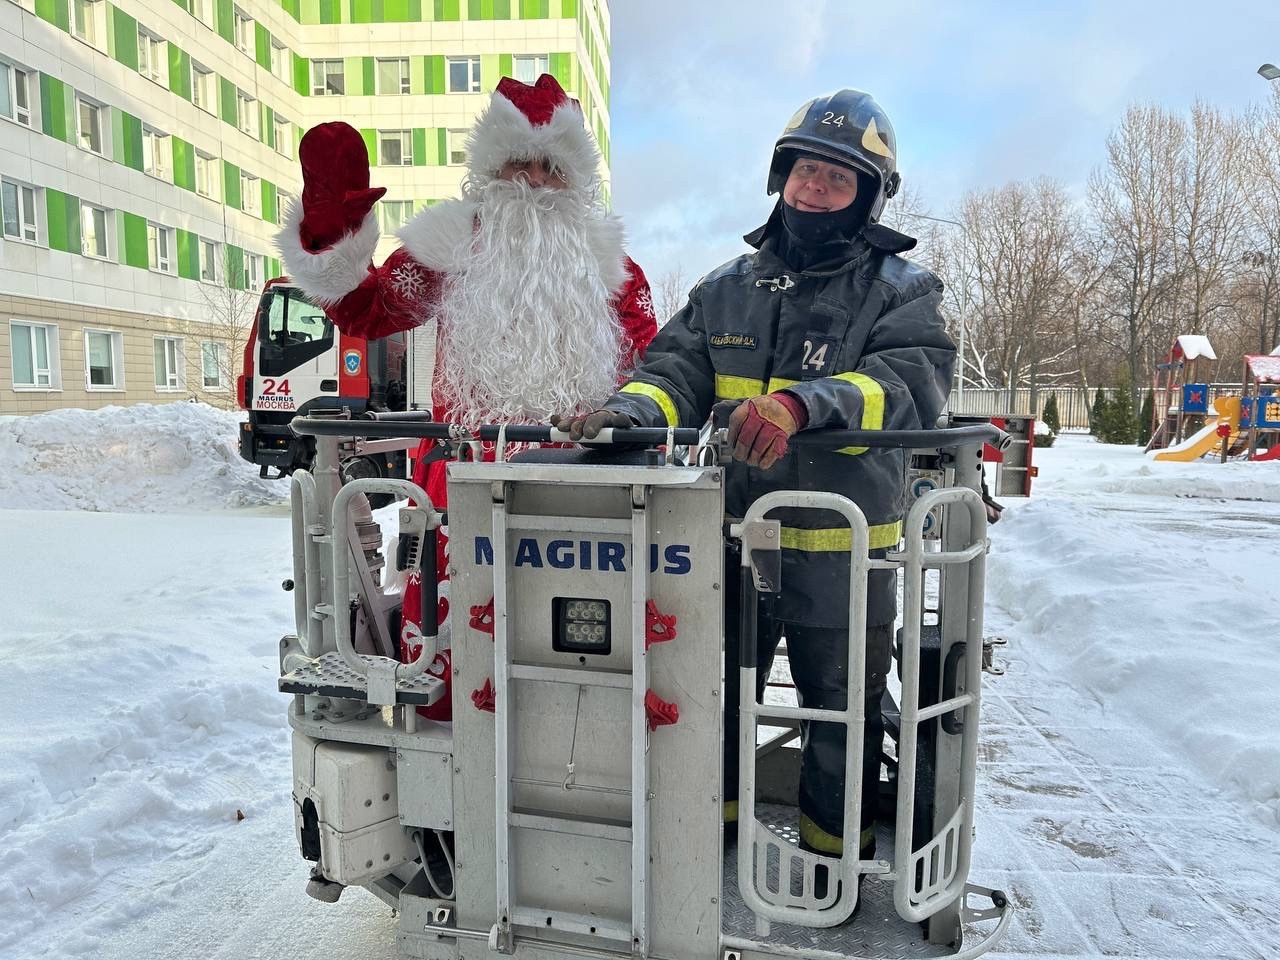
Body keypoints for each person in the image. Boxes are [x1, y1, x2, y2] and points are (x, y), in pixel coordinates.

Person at [555, 90, 956, 880]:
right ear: (781, 177)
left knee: (836, 717)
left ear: (870, 196)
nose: (814, 190)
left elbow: (908, 383)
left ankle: (830, 873)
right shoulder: (727, 288)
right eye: (805, 171)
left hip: (845, 553)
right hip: (730, 545)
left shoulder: (902, 290)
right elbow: (674, 374)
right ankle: (716, 853)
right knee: (713, 703)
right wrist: (622, 414)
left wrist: (805, 404)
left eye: (837, 180)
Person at [278, 74, 657, 719]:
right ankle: (451, 792)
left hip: (584, 491)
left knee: (578, 642)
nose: (534, 184)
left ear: (574, 180)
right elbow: (363, 311)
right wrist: (331, 224)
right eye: (517, 167)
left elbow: (655, 368)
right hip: (461, 489)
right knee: (456, 653)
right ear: (490, 172)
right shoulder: (448, 248)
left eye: (550, 169)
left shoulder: (610, 268)